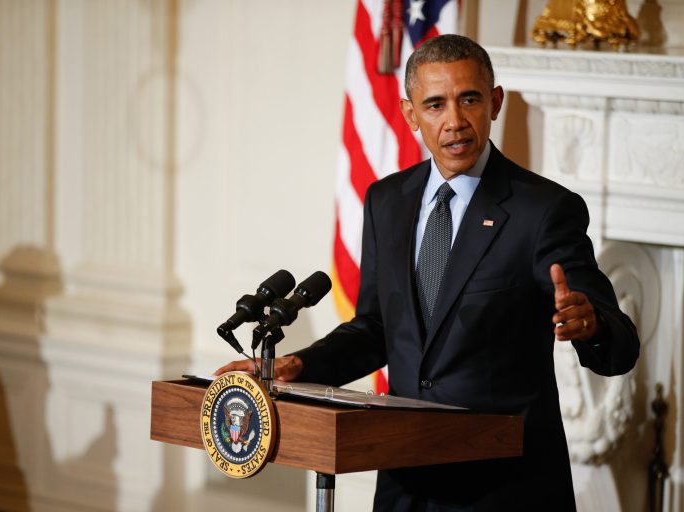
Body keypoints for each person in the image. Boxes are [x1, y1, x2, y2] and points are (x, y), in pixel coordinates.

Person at [216, 34, 639, 511]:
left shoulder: (543, 210)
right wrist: (301, 366)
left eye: (470, 99)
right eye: (435, 105)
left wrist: (593, 325)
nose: (454, 122)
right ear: (410, 114)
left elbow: (619, 346)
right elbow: (377, 328)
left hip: (504, 486)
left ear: (494, 103)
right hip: (405, 481)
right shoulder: (386, 201)